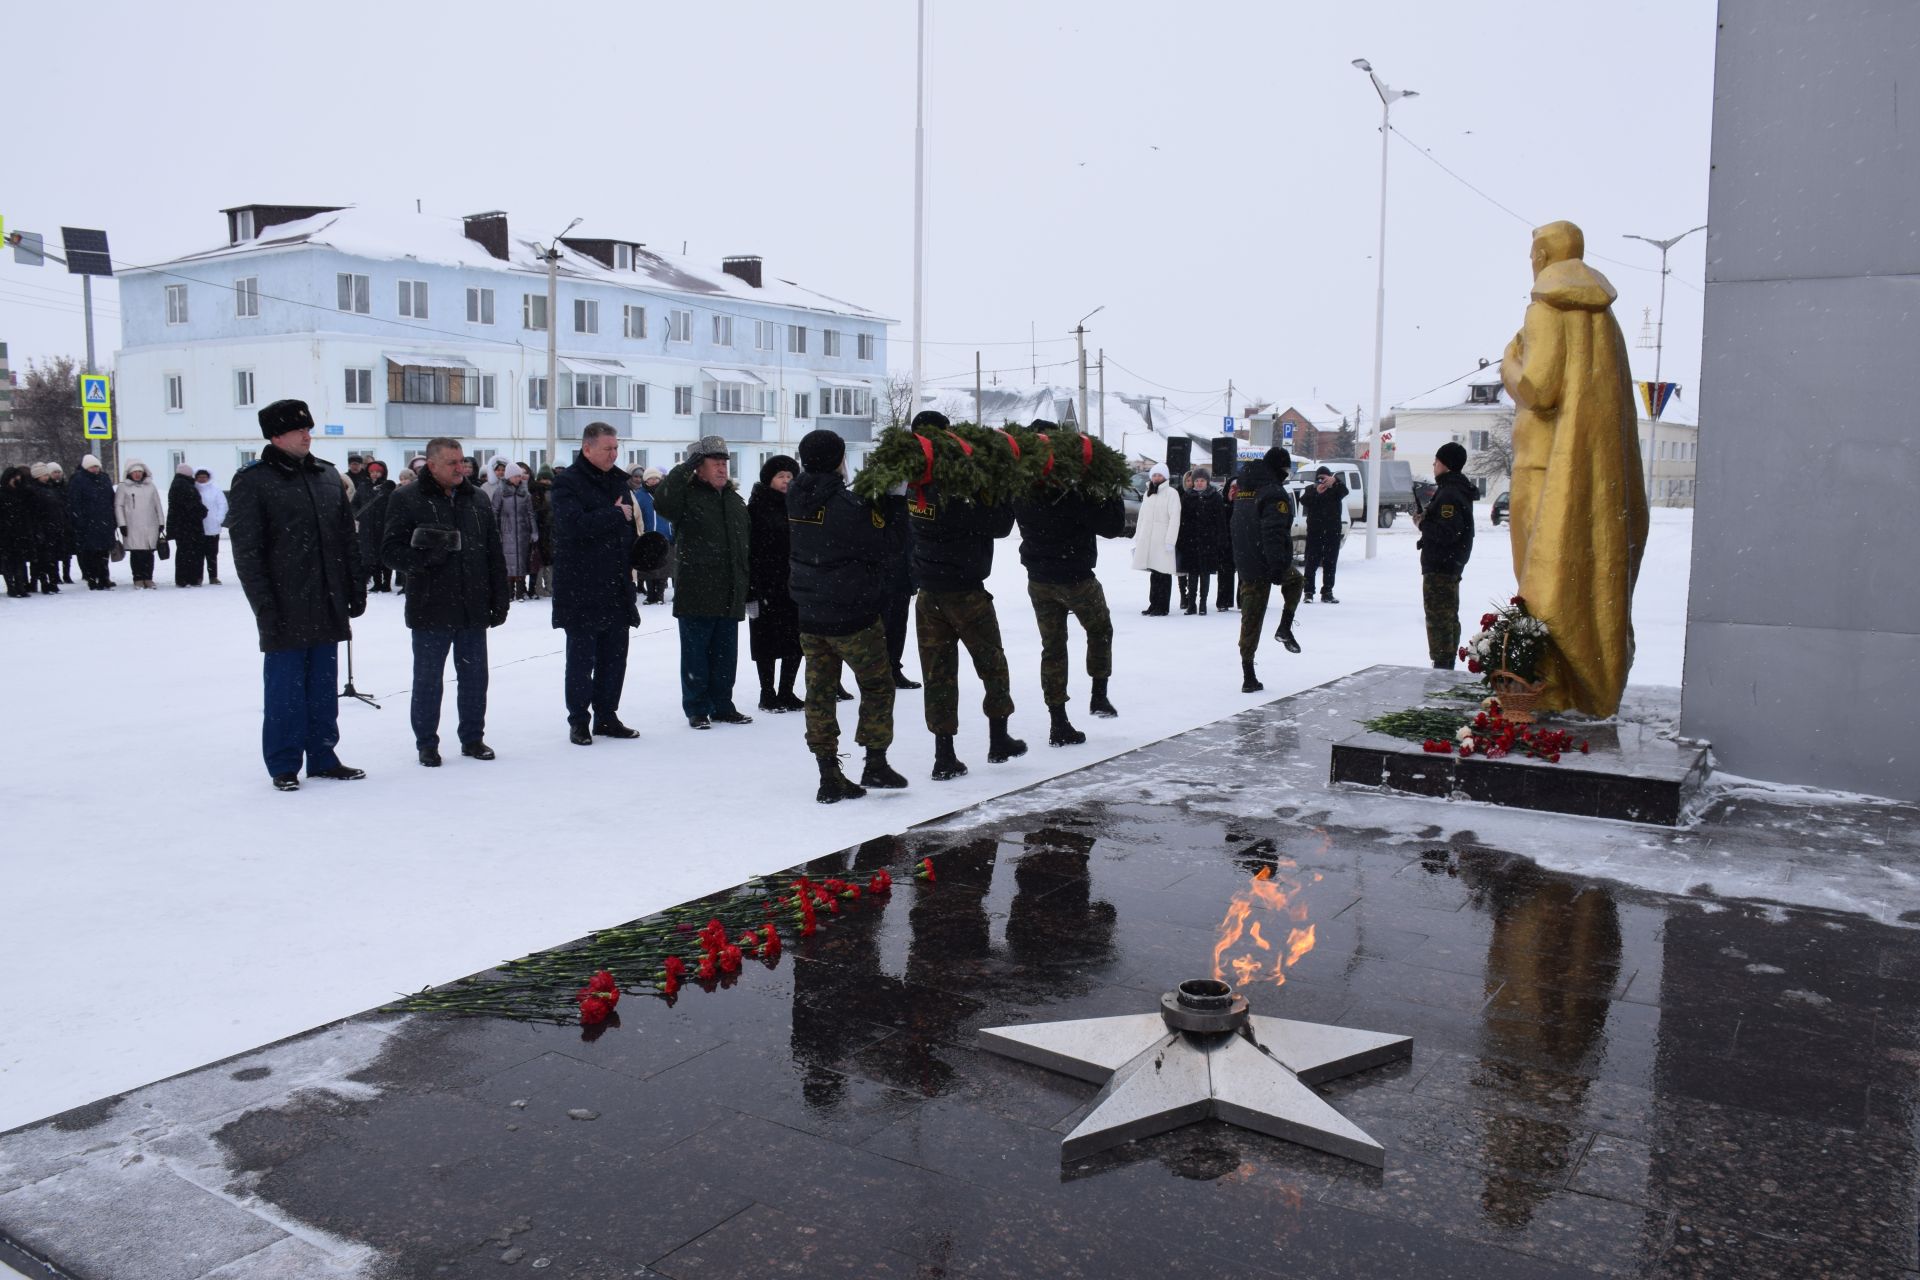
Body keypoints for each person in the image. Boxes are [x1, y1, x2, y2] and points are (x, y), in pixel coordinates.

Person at [1500, 219, 1649, 715]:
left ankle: (1549, 686)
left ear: (1542, 255)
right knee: (1577, 576)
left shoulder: (1544, 310)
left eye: (1532, 253)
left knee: (1539, 587)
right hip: (1577, 467)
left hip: (1542, 466)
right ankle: (1586, 684)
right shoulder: (1602, 320)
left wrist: (1508, 365)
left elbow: (1539, 391)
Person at [226, 399, 367, 791]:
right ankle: (284, 763)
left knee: (323, 686)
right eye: (298, 430)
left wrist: (355, 588)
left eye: (309, 429)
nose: (308, 436)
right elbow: (248, 553)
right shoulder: (254, 481)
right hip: (284, 603)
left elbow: (346, 540)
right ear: (275, 436)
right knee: (286, 689)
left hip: (327, 599)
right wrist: (264, 605)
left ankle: (323, 755)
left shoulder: (326, 476)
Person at [786, 428, 910, 802]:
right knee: (877, 684)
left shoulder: (795, 495)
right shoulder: (847, 506)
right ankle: (875, 761)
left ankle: (828, 774)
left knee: (819, 692)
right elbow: (885, 548)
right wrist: (893, 504)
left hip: (810, 611)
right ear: (840, 460)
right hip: (851, 613)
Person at [907, 409, 1024, 779]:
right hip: (965, 593)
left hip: (928, 596)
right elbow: (1000, 525)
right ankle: (999, 739)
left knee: (938, 675)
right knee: (992, 665)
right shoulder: (957, 484)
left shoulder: (914, 482)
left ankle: (944, 755)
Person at [383, 436, 510, 766]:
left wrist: (500, 597)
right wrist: (425, 558)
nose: (460, 468)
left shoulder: (477, 498)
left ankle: (473, 738)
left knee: (474, 678)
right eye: (452, 463)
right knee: (428, 680)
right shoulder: (407, 498)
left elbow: (493, 552)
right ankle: (427, 743)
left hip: (472, 605)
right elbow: (389, 550)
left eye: (462, 462)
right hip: (430, 605)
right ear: (432, 464)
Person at [1013, 422, 1125, 747]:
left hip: (1039, 580)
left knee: (1053, 648)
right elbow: (1113, 526)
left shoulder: (1022, 486)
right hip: (1076, 579)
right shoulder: (1068, 489)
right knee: (1100, 630)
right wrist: (1108, 485)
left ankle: (1058, 722)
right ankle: (1099, 694)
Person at [654, 435, 753, 730]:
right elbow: (663, 502)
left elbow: (747, 545)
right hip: (697, 590)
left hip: (730, 590)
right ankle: (697, 708)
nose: (722, 468)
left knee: (726, 656)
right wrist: (684, 469)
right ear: (699, 467)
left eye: (725, 463)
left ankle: (723, 704)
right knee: (696, 656)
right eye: (715, 463)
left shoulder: (735, 501)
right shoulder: (686, 496)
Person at [550, 423, 641, 744]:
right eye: (607, 448)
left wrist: (640, 554)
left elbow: (629, 528)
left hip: (615, 585)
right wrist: (615, 515)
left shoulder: (619, 481)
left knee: (614, 658)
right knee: (581, 659)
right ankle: (579, 720)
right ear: (587, 449)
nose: (613, 454)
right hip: (581, 586)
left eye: (616, 448)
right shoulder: (567, 483)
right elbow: (573, 526)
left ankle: (607, 716)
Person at [1231, 447, 1303, 692]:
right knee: (1295, 581)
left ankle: (1248, 674)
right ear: (1280, 469)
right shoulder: (1273, 492)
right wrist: (1276, 565)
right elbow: (1273, 532)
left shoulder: (1244, 488)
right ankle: (1285, 627)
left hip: (1245, 560)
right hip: (1266, 561)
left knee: (1250, 617)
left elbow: (1237, 523)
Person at [747, 454, 805, 712]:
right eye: (780, 476)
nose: (786, 481)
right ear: (769, 479)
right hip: (764, 584)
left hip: (794, 584)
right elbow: (750, 549)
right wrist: (752, 586)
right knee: (766, 640)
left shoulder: (798, 505)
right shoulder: (755, 507)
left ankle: (787, 691)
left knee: (796, 639)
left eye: (790, 476)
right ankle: (767, 693)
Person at [1416, 442, 1477, 670]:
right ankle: (1445, 662)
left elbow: (1448, 532)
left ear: (1446, 464)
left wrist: (1423, 524)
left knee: (1440, 618)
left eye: (1437, 461)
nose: (1434, 465)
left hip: (1441, 565)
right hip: (1448, 563)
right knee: (1447, 616)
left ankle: (1442, 668)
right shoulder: (1454, 489)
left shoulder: (1450, 493)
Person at [1131, 464, 1180, 615]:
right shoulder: (1148, 493)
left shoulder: (1172, 493)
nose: (1156, 478)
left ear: (1165, 477)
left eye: (1159, 475)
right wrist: (1138, 537)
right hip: (1148, 539)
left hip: (1163, 540)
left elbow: (1175, 518)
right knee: (1154, 573)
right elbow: (1142, 517)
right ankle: (1154, 604)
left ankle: (1163, 606)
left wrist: (1170, 541)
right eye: (1154, 475)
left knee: (1163, 573)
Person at [1300, 465, 1349, 604]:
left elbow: (1345, 491)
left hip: (1332, 533)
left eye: (1325, 478)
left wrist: (1335, 481)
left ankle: (1327, 591)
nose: (1322, 481)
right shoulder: (1311, 490)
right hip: (1315, 533)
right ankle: (1308, 592)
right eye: (1319, 478)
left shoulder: (1336, 490)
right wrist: (1317, 492)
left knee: (1330, 563)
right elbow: (1304, 501)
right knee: (1311, 563)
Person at [1176, 467, 1223, 615]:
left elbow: (1220, 521)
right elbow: (1182, 520)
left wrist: (1219, 539)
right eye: (1197, 480)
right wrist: (1182, 539)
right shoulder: (1187, 496)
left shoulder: (1215, 497)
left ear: (1207, 481)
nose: (1199, 483)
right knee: (1192, 574)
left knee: (1205, 573)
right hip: (1190, 541)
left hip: (1208, 541)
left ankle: (1203, 603)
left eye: (1202, 480)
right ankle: (1191, 604)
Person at [68, 454, 118, 590]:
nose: (95, 469)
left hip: (105, 521)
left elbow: (111, 499)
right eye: (92, 467)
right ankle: (92, 579)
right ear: (86, 468)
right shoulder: (78, 480)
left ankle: (104, 578)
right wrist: (79, 520)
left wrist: (113, 519)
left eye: (96, 466)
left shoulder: (104, 478)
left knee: (104, 553)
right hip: (88, 523)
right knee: (90, 553)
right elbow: (74, 503)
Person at [114, 459, 165, 590]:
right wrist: (122, 524)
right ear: (129, 473)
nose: (137, 474)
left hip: (150, 524)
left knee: (149, 554)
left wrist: (161, 522)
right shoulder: (123, 487)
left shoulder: (151, 486)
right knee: (137, 554)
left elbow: (157, 505)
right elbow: (118, 506)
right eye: (135, 472)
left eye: (139, 472)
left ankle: (148, 578)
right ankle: (138, 578)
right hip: (132, 525)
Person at [491, 462, 537, 601]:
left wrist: (534, 531)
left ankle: (520, 592)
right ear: (509, 476)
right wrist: (495, 532)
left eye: (520, 476)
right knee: (508, 562)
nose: (519, 478)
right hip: (506, 532)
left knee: (521, 561)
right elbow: (494, 512)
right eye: (516, 476)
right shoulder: (500, 491)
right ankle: (509, 592)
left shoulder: (525, 492)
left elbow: (530, 513)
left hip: (522, 532)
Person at [632, 467, 673, 604]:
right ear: (646, 480)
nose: (653, 480)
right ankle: (651, 595)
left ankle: (660, 595)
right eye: (650, 478)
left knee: (663, 567)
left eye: (656, 478)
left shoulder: (666, 493)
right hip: (648, 536)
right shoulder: (641, 495)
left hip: (665, 534)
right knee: (649, 568)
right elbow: (636, 514)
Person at [354, 461, 396, 592]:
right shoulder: (363, 486)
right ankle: (377, 582)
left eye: (377, 472)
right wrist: (359, 515)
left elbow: (394, 505)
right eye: (372, 472)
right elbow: (355, 503)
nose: (374, 474)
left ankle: (387, 583)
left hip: (383, 525)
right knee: (371, 556)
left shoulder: (388, 487)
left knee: (384, 555)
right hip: (367, 527)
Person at [166, 464, 208, 587]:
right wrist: (203, 511)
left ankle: (183, 578)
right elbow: (192, 505)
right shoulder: (185, 486)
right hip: (189, 526)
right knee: (191, 553)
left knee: (183, 552)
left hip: (181, 526)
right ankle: (191, 578)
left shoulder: (176, 484)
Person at [0, 466, 36, 598]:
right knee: (8, 561)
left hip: (21, 531)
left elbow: (32, 501)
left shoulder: (22, 492)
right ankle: (11, 586)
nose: (18, 479)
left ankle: (20, 585)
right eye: (15, 477)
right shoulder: (3, 493)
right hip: (6, 532)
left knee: (20, 560)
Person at [195, 469, 228, 585]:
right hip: (198, 528)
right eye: (200, 477)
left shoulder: (215, 490)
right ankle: (198, 577)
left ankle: (213, 576)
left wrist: (218, 519)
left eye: (204, 477)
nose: (202, 479)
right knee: (198, 555)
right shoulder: (194, 489)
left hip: (213, 527)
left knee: (212, 554)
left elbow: (222, 505)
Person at [528, 466, 555, 598]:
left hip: (551, 530)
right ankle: (538, 587)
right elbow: (533, 511)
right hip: (538, 530)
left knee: (550, 560)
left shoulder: (555, 492)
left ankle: (550, 586)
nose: (546, 481)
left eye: (548, 478)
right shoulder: (534, 491)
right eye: (543, 478)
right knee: (539, 561)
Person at [1213, 474, 1238, 611]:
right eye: (1233, 487)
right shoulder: (1222, 502)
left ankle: (1243, 601)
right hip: (1225, 542)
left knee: (1244, 574)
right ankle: (1223, 601)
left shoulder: (1247, 502)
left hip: (1243, 541)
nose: (1235, 490)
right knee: (1224, 572)